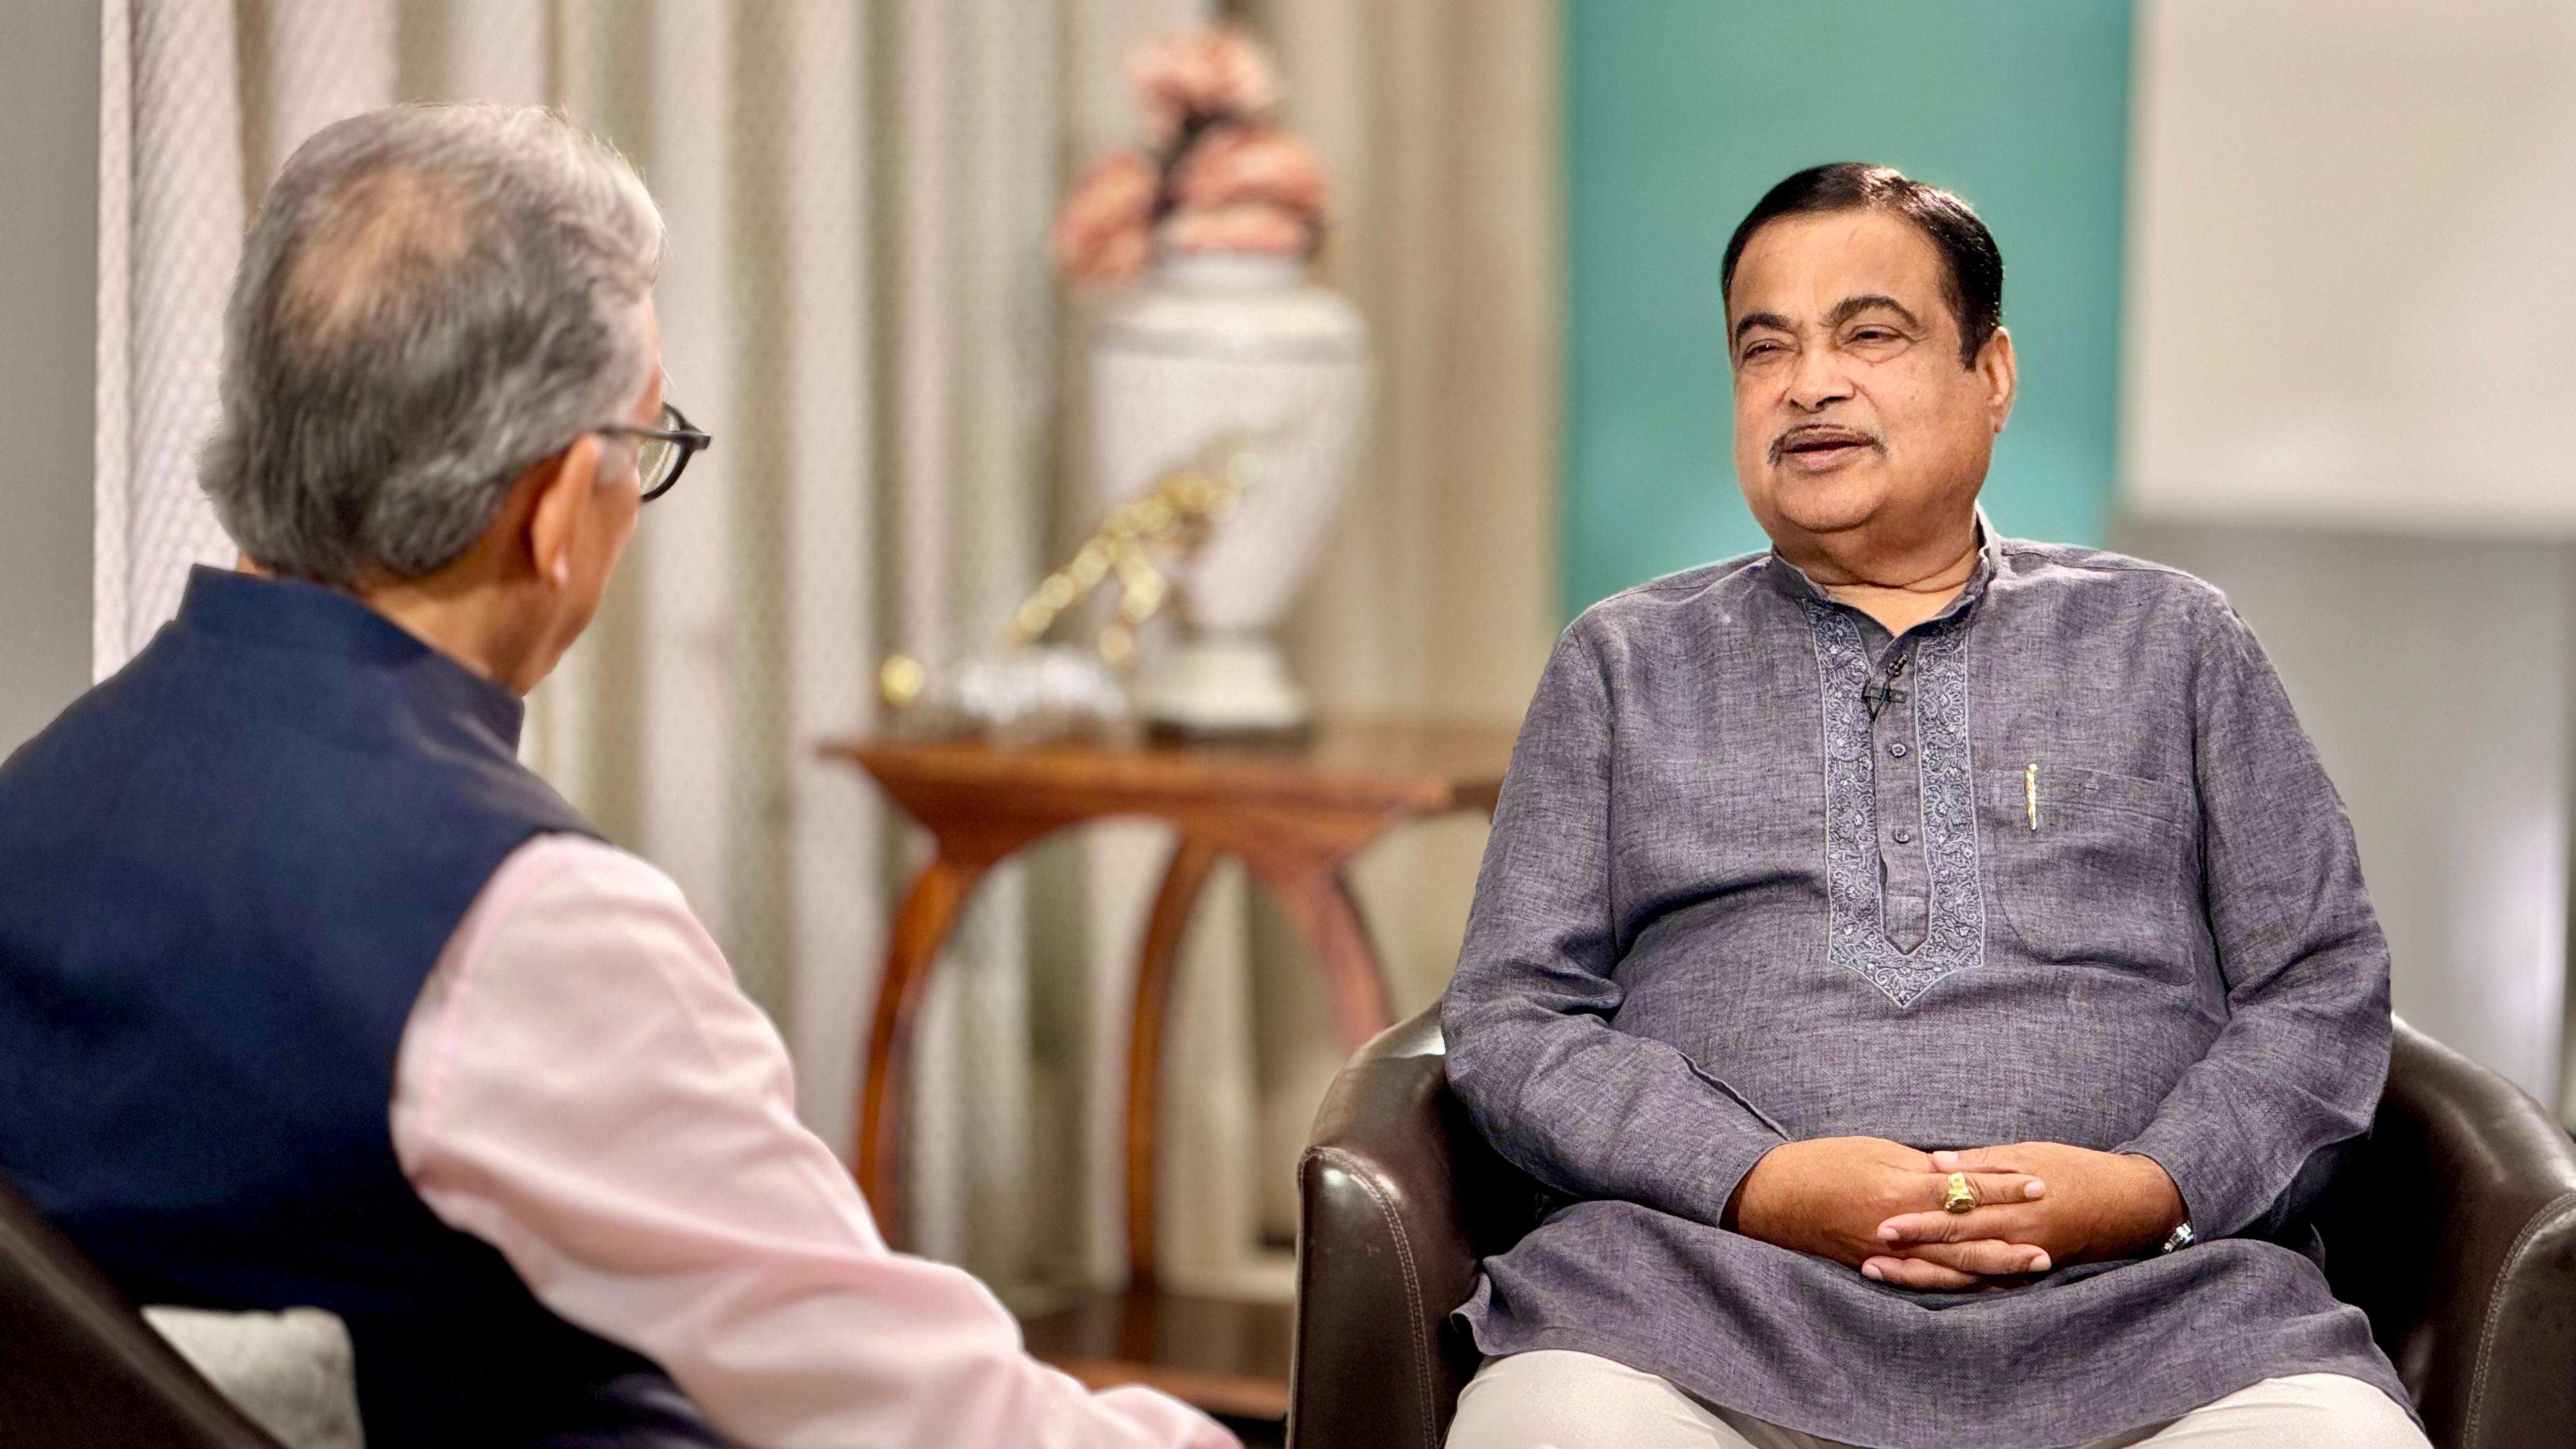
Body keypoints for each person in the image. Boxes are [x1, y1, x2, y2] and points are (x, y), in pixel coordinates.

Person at [0, 103, 1234, 1449]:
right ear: (552, 507)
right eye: (645, 446)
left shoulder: (35, 799)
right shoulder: (523, 925)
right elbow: (936, 1419)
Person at [1436, 164, 2428, 1449]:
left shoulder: (2170, 642)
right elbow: (1515, 1017)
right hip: (1695, 1300)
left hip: (2157, 1312)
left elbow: (2321, 986)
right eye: (1765, 348)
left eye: (1870, 334)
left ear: (1991, 373)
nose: (1809, 384)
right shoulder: (1625, 664)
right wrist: (1756, 1181)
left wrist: (2149, 1189)